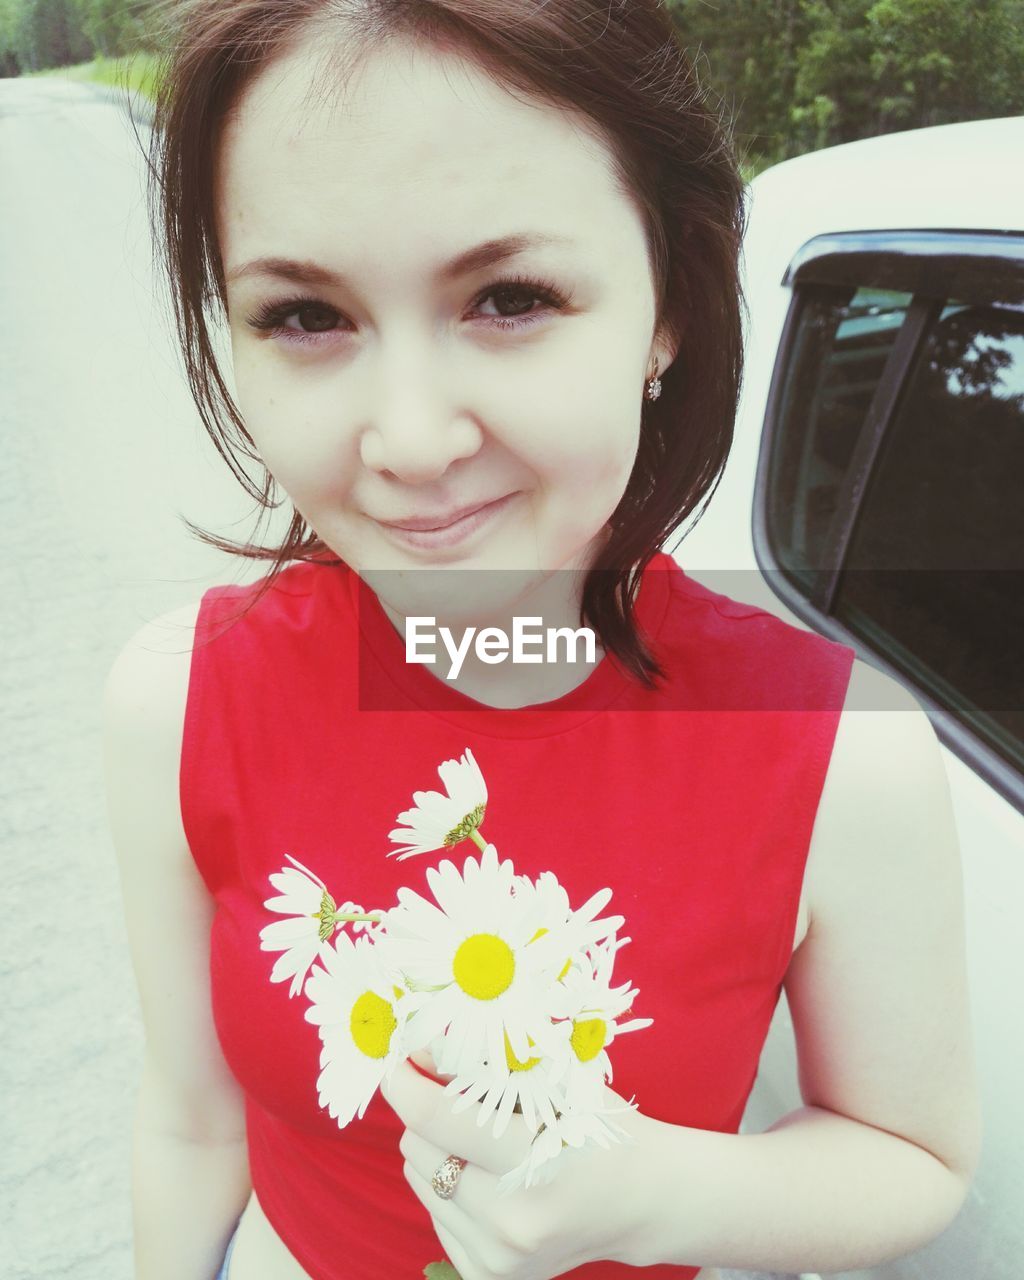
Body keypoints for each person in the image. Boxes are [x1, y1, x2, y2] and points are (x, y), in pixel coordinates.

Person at [101, 3, 981, 1279]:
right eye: (304, 315)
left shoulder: (841, 749)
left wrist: (660, 1193)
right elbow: (189, 1120)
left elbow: (915, 1154)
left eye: (510, 297)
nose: (409, 440)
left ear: (670, 304)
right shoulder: (177, 700)